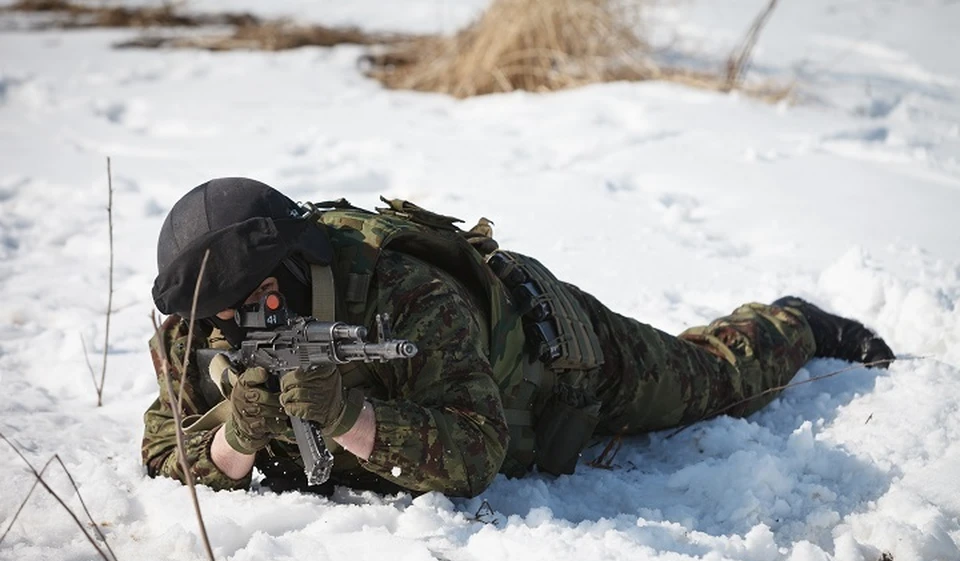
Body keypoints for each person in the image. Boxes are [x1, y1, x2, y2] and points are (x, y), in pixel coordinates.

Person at [143, 177, 895, 497]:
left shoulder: (408, 297)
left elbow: (478, 452)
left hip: (555, 360)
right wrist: (232, 442)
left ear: (299, 266)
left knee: (713, 381)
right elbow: (156, 446)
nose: (241, 325)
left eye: (261, 298)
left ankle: (797, 321)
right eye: (222, 315)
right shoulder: (203, 328)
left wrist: (350, 420)